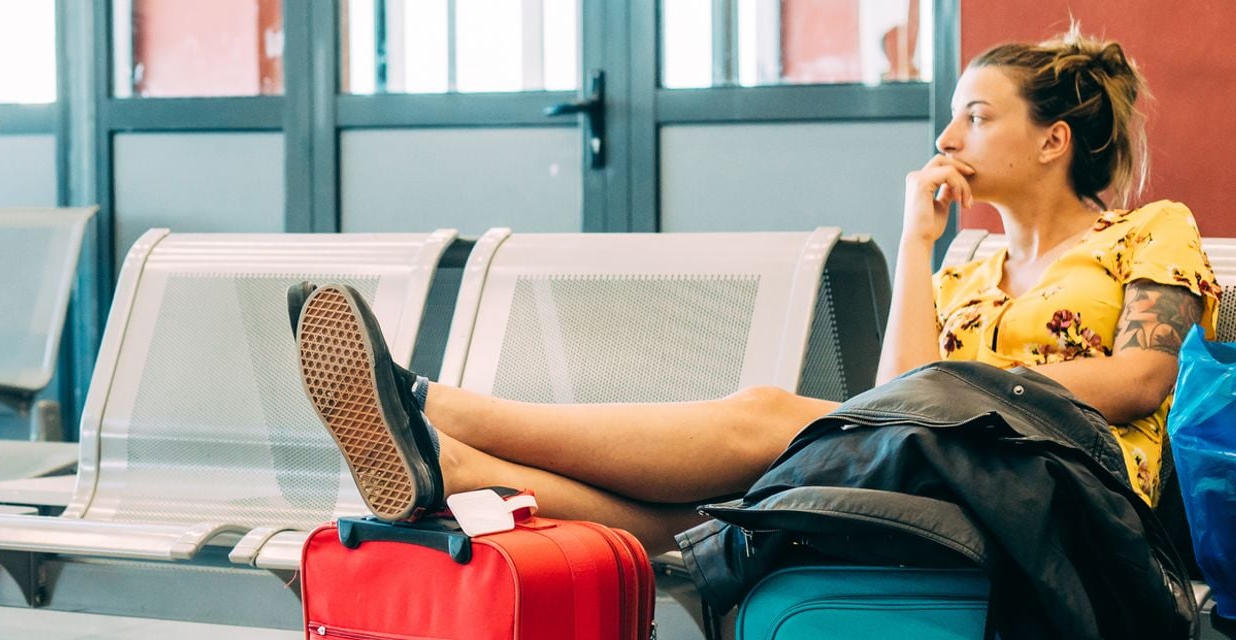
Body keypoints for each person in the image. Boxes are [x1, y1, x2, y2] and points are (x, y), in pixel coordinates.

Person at [290, 29, 1221, 555]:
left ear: (1054, 141)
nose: (948, 136)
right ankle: (454, 470)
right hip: (951, 472)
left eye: (976, 117)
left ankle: (439, 410)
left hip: (1082, 500)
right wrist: (915, 242)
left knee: (766, 415)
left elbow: (1144, 378)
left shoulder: (1150, 230)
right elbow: (900, 390)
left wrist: (979, 399)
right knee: (710, 520)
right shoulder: (967, 265)